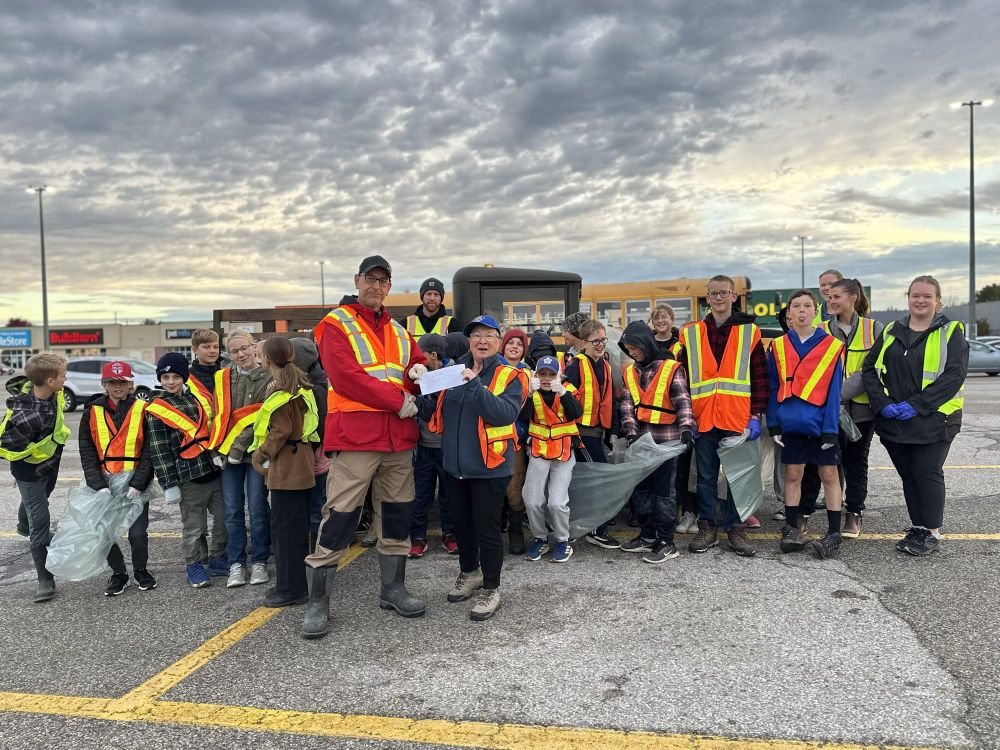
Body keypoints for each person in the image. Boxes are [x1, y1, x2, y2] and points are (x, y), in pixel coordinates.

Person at [303, 255, 427, 640]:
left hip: (397, 437)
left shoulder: (400, 331)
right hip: (357, 435)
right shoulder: (335, 324)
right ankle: (318, 602)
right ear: (357, 280)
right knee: (340, 514)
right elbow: (346, 378)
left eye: (382, 280)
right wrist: (399, 400)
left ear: (389, 286)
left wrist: (421, 374)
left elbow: (414, 368)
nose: (375, 286)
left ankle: (393, 589)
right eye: (370, 279)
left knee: (397, 513)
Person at [420, 315, 525, 621]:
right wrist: (417, 387)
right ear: (468, 341)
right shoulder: (452, 371)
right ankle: (470, 573)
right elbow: (435, 411)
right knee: (462, 527)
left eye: (489, 335)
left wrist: (476, 385)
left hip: (490, 467)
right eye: (476, 335)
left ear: (498, 341)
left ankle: (492, 588)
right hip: (455, 468)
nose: (482, 341)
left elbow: (504, 414)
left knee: (487, 531)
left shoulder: (511, 375)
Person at [862, 275, 969, 557]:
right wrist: (882, 403)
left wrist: (916, 405)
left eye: (927, 296)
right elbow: (870, 368)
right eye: (915, 295)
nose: (920, 300)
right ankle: (918, 527)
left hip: (934, 419)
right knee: (909, 475)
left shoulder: (950, 332)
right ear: (908, 298)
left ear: (938, 301)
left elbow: (953, 376)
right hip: (894, 420)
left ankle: (932, 531)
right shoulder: (892, 330)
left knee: (926, 472)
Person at [676, 274, 768, 557]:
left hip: (737, 418)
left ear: (733, 296)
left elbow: (759, 376)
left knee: (738, 478)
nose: (718, 298)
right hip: (704, 418)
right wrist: (687, 416)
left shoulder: (749, 332)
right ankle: (707, 528)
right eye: (713, 293)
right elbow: (682, 378)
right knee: (705, 477)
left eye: (723, 293)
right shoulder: (691, 334)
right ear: (707, 298)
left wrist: (756, 415)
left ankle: (736, 530)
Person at [767, 290, 845, 559]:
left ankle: (834, 533)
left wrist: (831, 429)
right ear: (789, 313)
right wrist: (773, 423)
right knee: (792, 474)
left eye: (807, 306)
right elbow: (773, 387)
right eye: (796, 306)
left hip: (821, 423)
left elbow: (834, 392)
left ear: (815, 311)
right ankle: (791, 529)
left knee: (829, 475)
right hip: (790, 423)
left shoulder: (833, 346)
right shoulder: (777, 346)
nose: (801, 311)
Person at [145, 352, 228, 588]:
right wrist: (168, 484)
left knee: (223, 518)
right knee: (194, 526)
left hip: (212, 470)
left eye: (175, 377)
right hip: (188, 476)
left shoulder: (195, 399)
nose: (170, 382)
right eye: (165, 377)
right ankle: (194, 564)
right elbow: (159, 450)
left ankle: (217, 557)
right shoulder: (157, 408)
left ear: (184, 377)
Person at [618, 322, 695, 563]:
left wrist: (686, 428)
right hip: (642, 443)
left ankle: (666, 542)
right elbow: (627, 406)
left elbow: (682, 399)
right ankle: (647, 535)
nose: (631, 352)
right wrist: (630, 433)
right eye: (628, 349)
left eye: (634, 347)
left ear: (646, 344)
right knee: (642, 491)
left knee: (664, 493)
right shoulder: (630, 373)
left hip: (666, 442)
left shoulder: (671, 368)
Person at [78, 361, 157, 596]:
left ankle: (141, 570)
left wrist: (138, 483)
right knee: (106, 533)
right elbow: (87, 452)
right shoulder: (91, 412)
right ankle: (119, 573)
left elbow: (150, 449)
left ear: (131, 384)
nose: (118, 386)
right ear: (104, 384)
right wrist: (98, 485)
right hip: (106, 483)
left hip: (135, 482)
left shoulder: (144, 409)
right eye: (112, 382)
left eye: (122, 382)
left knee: (138, 533)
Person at [251, 337, 319, 607]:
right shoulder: (299, 384)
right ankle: (295, 584)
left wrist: (260, 454)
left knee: (285, 531)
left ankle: (291, 589)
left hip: (287, 466)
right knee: (296, 529)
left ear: (268, 360)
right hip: (301, 462)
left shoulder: (281, 390)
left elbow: (280, 431)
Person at [815, 278, 883, 538]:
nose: (830, 301)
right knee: (829, 460)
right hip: (829, 410)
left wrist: (839, 392)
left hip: (861, 409)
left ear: (853, 298)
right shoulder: (821, 329)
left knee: (856, 461)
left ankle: (854, 512)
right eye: (829, 297)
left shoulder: (873, 328)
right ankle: (824, 507)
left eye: (836, 297)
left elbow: (873, 369)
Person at [0, 353, 70, 602]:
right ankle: (45, 580)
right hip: (30, 473)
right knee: (40, 525)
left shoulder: (53, 394)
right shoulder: (25, 417)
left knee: (35, 506)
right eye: (63, 375)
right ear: (50, 381)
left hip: (50, 465)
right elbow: (8, 446)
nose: (66, 378)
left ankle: (24, 523)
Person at [212, 331, 272, 589]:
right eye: (234, 351)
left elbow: (262, 417)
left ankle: (259, 561)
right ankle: (236, 563)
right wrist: (216, 449)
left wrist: (236, 448)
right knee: (232, 511)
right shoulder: (223, 378)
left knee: (258, 509)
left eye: (244, 348)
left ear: (254, 347)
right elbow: (217, 415)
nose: (240, 354)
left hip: (256, 454)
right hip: (227, 456)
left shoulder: (270, 377)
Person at [564, 318, 621, 550]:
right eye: (595, 341)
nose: (600, 344)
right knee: (600, 479)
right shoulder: (576, 365)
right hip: (581, 432)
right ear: (584, 342)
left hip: (597, 431)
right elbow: (565, 397)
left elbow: (608, 400)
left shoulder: (605, 365)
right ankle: (597, 530)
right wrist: (572, 432)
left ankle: (583, 527)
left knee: (590, 481)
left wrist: (612, 432)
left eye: (603, 340)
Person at [521, 355, 582, 563]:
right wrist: (529, 394)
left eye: (551, 374)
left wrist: (563, 393)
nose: (546, 378)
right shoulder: (531, 390)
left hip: (564, 452)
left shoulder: (568, 388)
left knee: (557, 502)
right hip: (539, 450)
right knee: (532, 500)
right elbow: (522, 417)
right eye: (542, 374)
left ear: (559, 375)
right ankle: (540, 538)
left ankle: (563, 540)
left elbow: (576, 413)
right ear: (536, 375)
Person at [408, 333, 458, 558]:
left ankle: (450, 534)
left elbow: (434, 411)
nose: (417, 359)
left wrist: (420, 397)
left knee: (449, 494)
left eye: (422, 354)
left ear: (433, 355)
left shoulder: (453, 375)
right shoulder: (417, 373)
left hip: (447, 446)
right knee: (421, 494)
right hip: (424, 446)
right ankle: (418, 536)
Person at [650, 305, 697, 534]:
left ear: (672, 319)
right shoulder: (647, 344)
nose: (661, 321)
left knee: (683, 466)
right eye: (656, 318)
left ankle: (686, 510)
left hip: (678, 407)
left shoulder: (682, 345)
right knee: (660, 468)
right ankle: (663, 512)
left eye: (665, 317)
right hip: (655, 413)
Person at [290, 337, 330, 551]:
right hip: (312, 457)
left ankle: (317, 550)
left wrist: (308, 451)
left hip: (313, 458)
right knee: (314, 507)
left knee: (316, 509)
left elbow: (319, 427)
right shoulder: (316, 380)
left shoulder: (315, 389)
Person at [500, 328, 531, 555]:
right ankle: (492, 532)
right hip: (490, 438)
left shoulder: (529, 373)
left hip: (515, 440)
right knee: (490, 488)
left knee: (515, 486)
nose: (514, 347)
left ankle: (515, 530)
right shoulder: (492, 368)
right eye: (510, 342)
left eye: (519, 344)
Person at [186, 328, 222, 418]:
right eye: (206, 347)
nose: (212, 350)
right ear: (195, 350)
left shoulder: (227, 373)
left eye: (216, 347)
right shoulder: (187, 377)